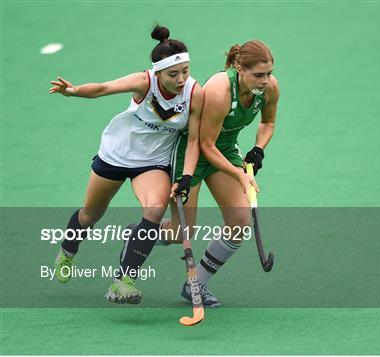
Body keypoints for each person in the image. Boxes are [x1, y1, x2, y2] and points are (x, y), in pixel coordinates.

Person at [49, 25, 203, 304]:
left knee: (155, 210)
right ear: (158, 73)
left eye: (185, 71)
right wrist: (73, 91)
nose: (181, 79)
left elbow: (193, 140)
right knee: (90, 215)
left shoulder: (194, 92)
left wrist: (188, 176)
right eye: (173, 74)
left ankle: (123, 280)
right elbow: (104, 88)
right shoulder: (144, 82)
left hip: (153, 163)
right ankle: (68, 250)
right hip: (116, 155)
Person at [162, 40, 279, 308]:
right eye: (258, 75)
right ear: (239, 67)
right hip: (191, 154)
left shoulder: (269, 88)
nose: (265, 81)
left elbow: (268, 122)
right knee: (181, 233)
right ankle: (139, 237)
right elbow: (204, 144)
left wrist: (258, 149)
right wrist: (239, 175)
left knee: (239, 221)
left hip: (223, 150)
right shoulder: (219, 89)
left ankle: (196, 283)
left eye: (269, 73)